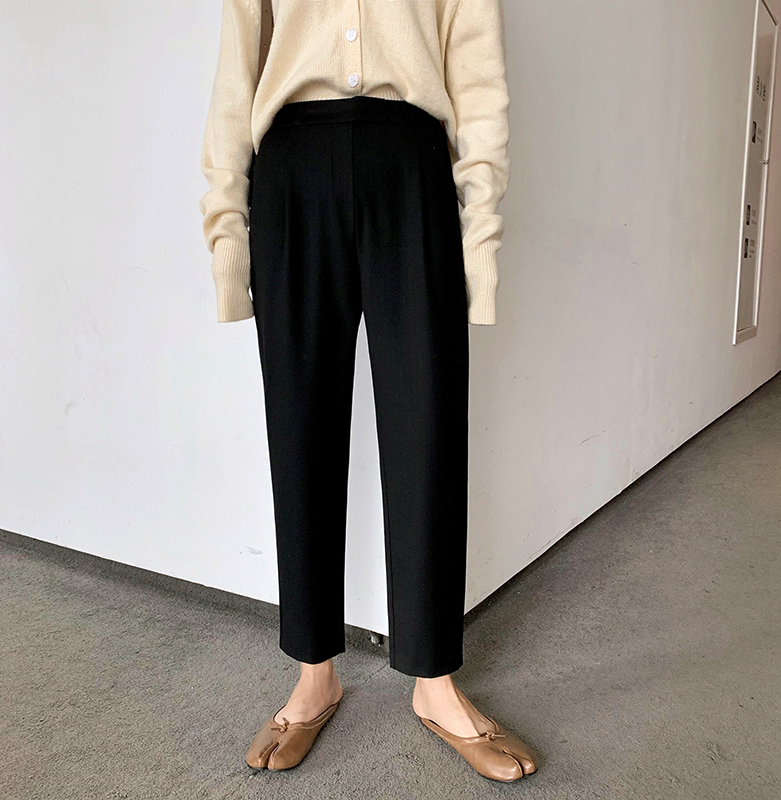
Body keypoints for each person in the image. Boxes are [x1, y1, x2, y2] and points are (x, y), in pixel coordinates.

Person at [199, 0, 538, 782]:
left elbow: (478, 75)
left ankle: (434, 681)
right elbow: (235, 74)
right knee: (301, 430)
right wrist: (226, 237)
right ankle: (314, 673)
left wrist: (480, 239)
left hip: (411, 163)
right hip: (291, 168)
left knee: (428, 429)